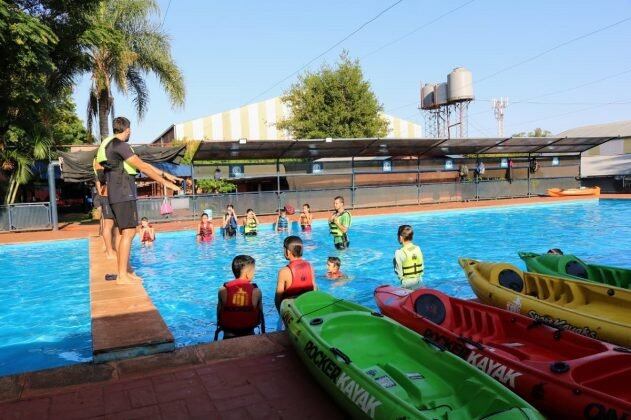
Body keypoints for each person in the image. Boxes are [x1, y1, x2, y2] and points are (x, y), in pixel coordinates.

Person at [96, 116, 181, 284]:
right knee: (129, 232)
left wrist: (166, 175)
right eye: (130, 130)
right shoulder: (120, 145)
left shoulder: (109, 145)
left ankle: (124, 271)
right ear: (127, 130)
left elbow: (141, 165)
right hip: (123, 193)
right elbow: (142, 166)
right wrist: (165, 183)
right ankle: (122, 276)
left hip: (115, 193)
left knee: (124, 233)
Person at [216, 255, 263, 339]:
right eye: (253, 271)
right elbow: (260, 316)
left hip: (228, 334)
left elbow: (219, 314)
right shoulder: (256, 292)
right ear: (247, 274)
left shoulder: (223, 290)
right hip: (249, 333)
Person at [275, 236, 317, 311]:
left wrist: (280, 314)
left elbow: (278, 298)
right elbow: (314, 288)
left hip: (293, 310)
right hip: (309, 306)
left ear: (288, 251)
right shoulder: (310, 266)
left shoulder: (284, 271)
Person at [93, 155, 118, 259]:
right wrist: (101, 198)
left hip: (113, 197)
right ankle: (109, 251)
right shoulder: (99, 163)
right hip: (106, 197)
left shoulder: (107, 163)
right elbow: (99, 183)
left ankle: (111, 247)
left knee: (115, 225)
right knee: (107, 224)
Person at [393, 225, 424, 290]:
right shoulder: (418, 248)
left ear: (401, 237)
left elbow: (399, 273)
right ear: (411, 237)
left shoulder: (399, 252)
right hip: (420, 283)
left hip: (407, 286)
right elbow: (422, 267)